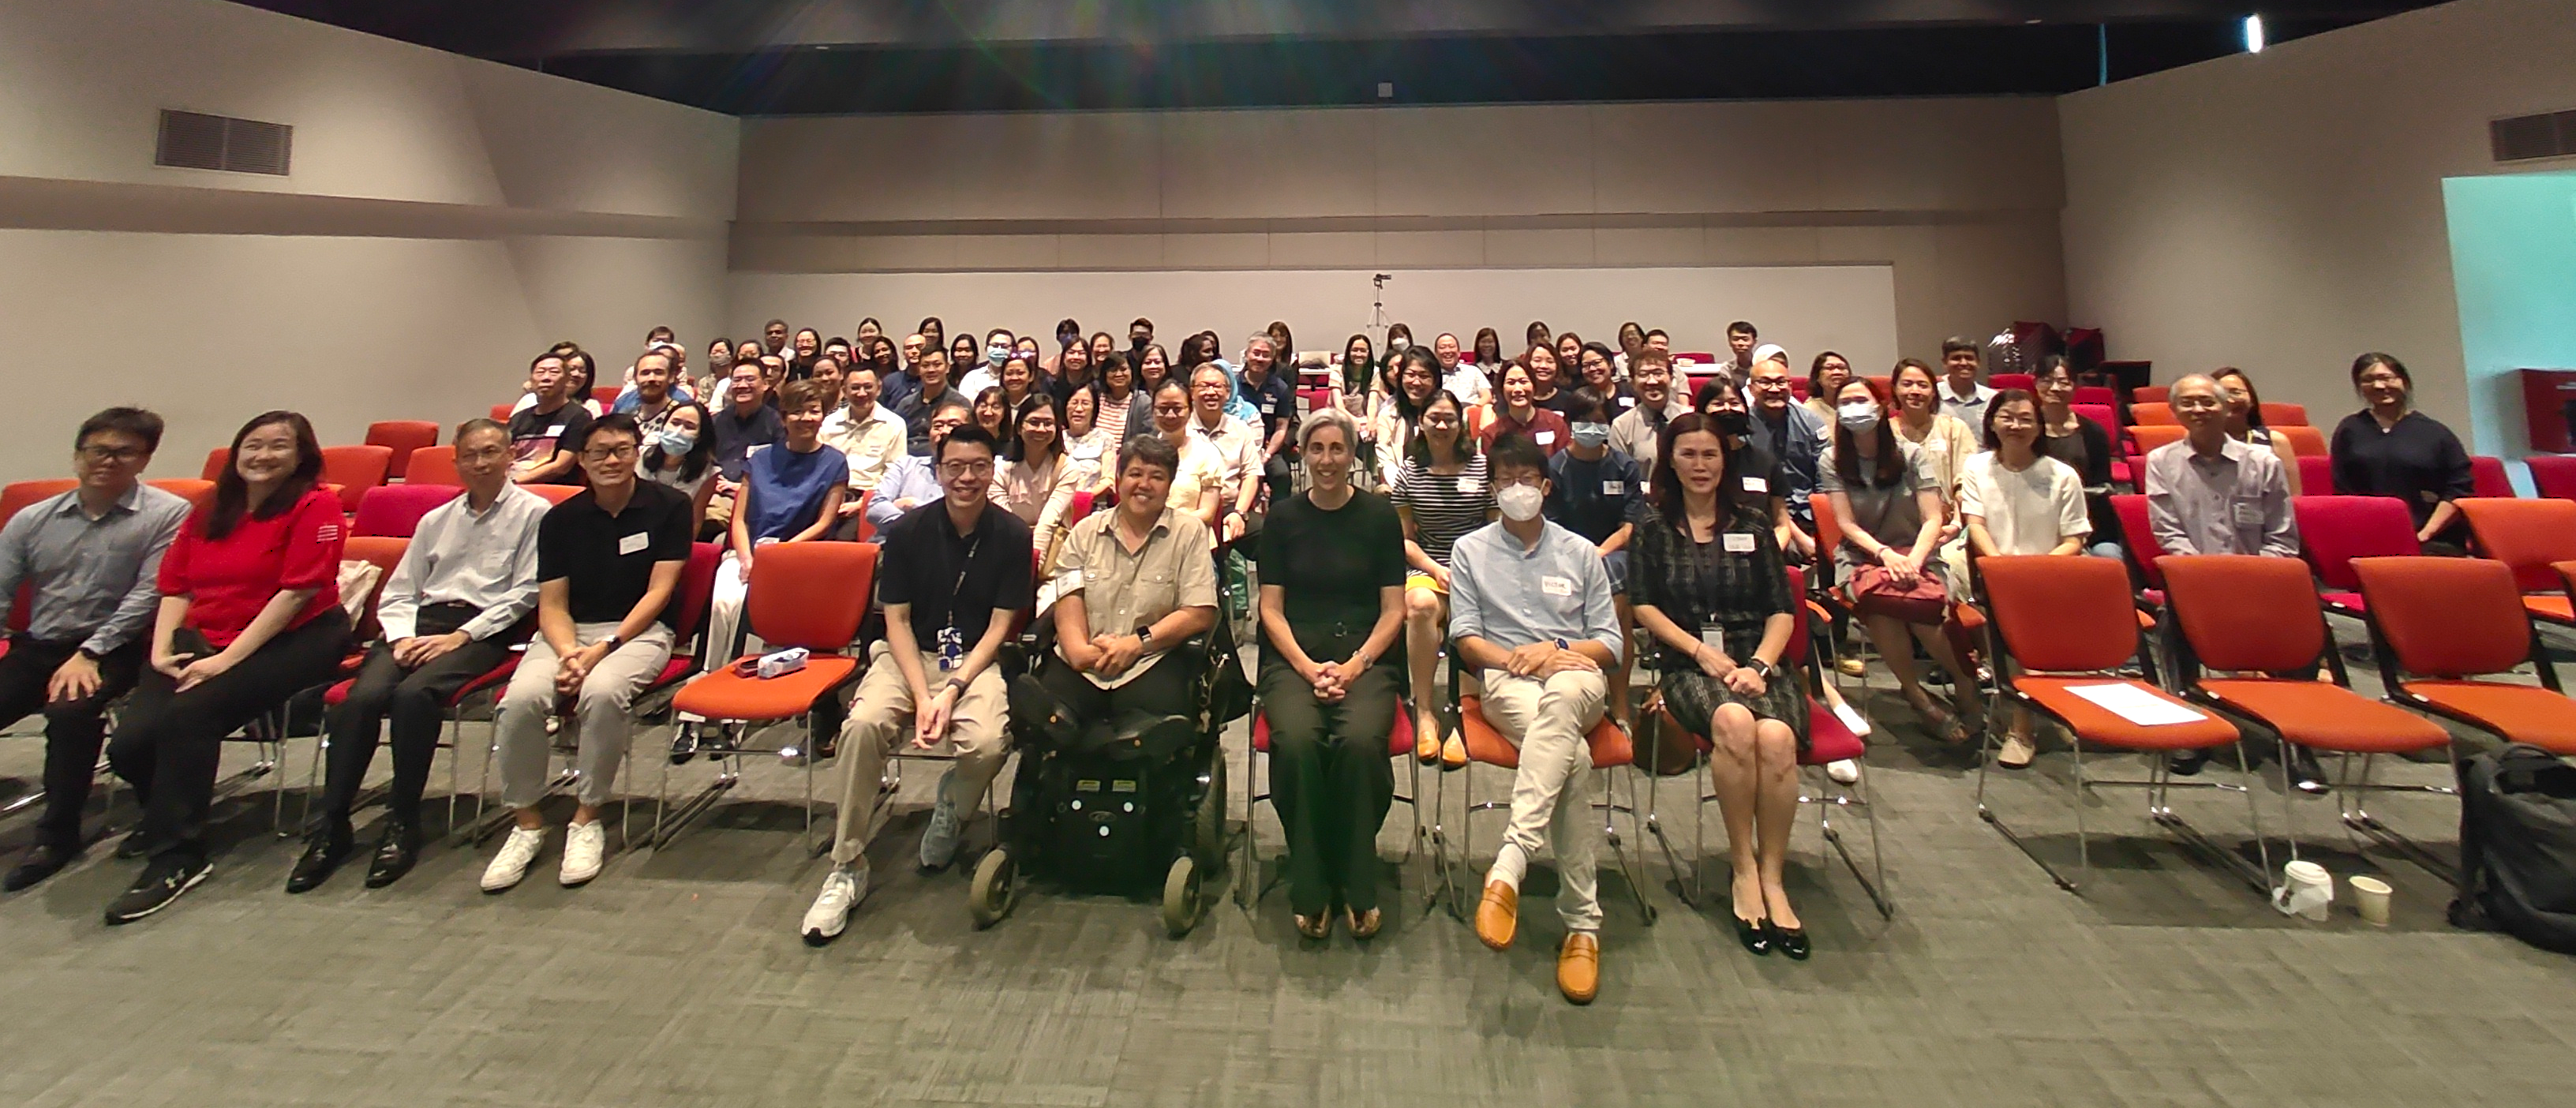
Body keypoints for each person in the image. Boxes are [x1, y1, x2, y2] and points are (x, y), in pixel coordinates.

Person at [103, 411, 351, 923]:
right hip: (206, 632)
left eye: (278, 446)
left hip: (296, 636)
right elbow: (175, 584)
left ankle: (179, 855)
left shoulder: (316, 505)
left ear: (302, 455)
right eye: (252, 445)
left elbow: (295, 593)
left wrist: (224, 663)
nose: (262, 456)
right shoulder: (214, 505)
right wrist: (161, 650)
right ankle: (169, 807)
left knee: (189, 715)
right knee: (129, 745)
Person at [801, 424, 1032, 943]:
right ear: (937, 471)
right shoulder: (907, 533)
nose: (966, 477)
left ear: (992, 470)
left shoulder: (1013, 535)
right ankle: (847, 862)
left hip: (972, 661)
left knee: (990, 742)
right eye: (955, 467)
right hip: (905, 657)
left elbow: (1001, 626)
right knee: (861, 727)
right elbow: (897, 622)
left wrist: (951, 690)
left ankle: (952, 803)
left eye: (978, 466)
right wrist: (923, 694)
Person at [293, 420, 542, 893]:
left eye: (491, 452)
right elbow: (402, 591)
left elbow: (526, 592)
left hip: (483, 632)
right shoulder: (436, 520)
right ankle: (333, 825)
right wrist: (403, 637)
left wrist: (461, 637)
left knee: (414, 695)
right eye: (470, 455)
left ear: (511, 456)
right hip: (419, 626)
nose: (481, 463)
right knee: (359, 699)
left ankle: (402, 820)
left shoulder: (534, 514)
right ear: (457, 462)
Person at [479, 415, 692, 893]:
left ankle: (587, 816)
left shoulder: (669, 506)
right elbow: (552, 603)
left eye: (621, 450)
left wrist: (604, 649)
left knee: (602, 692)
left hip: (638, 633)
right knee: (520, 701)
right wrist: (570, 650)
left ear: (638, 452)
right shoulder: (560, 519)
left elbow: (660, 591)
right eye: (599, 452)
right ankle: (527, 823)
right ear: (583, 459)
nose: (611, 461)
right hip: (568, 634)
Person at [1628, 412, 1810, 958]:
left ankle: (1774, 877)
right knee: (1732, 723)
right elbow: (1643, 606)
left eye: (1709, 454)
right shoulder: (1653, 527)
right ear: (1671, 461)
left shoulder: (1753, 525)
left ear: (1724, 460)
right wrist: (1700, 650)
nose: (1700, 465)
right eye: (1688, 454)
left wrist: (1757, 664)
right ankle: (1743, 868)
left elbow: (1782, 610)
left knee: (1776, 738)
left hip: (1759, 662)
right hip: (1690, 665)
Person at [1456, 432, 1623, 1005]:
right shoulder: (1470, 551)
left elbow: (1608, 640)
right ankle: (1582, 925)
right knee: (1571, 760)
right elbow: (1465, 637)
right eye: (1506, 481)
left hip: (1576, 676)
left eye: (1527, 480)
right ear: (1493, 490)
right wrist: (1515, 659)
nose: (1517, 490)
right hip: (1508, 683)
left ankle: (1511, 859)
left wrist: (1555, 650)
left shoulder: (1581, 552)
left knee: (1565, 699)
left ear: (1546, 487)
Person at [0, 408, 189, 891]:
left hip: (119, 647)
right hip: (41, 644)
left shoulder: (166, 514)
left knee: (70, 711)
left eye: (124, 452)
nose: (108, 461)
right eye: (97, 450)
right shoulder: (33, 518)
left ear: (144, 460)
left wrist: (90, 651)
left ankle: (57, 835)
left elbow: (150, 594)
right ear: (78, 455)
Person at [1255, 408, 1406, 940]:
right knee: (1296, 742)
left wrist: (1355, 665)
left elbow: (1394, 610)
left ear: (1352, 455)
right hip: (1294, 657)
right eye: (1316, 449)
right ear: (1303, 455)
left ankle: (1356, 878)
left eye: (1337, 449)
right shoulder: (1283, 519)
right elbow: (1270, 608)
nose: (1327, 460)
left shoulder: (1380, 518)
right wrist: (1306, 665)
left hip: (1367, 657)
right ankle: (1312, 883)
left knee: (1361, 742)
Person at [2146, 373, 2313, 785]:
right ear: (2175, 412)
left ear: (2227, 408)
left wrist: (2249, 579)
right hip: (2195, 583)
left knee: (2307, 629)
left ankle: (2299, 739)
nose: (2198, 410)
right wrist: (2207, 580)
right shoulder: (2161, 463)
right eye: (2187, 403)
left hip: (2261, 580)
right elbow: (2168, 533)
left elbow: (2281, 535)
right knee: (2171, 626)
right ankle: (2190, 726)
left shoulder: (2264, 463)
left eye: (2207, 402)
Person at [1818, 380, 1977, 740]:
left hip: (1918, 551)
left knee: (1922, 611)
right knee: (1883, 606)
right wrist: (1886, 556)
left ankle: (1964, 682)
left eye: (1861, 400)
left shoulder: (1912, 454)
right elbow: (1845, 524)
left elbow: (1933, 519)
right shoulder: (1832, 459)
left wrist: (1915, 561)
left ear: (1880, 406)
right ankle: (1917, 694)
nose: (1854, 408)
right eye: (1846, 403)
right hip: (1863, 556)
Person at [1040, 434, 1219, 735]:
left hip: (1151, 661)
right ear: (1120, 478)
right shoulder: (1085, 532)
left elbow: (1198, 612)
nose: (1144, 485)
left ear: (1170, 484)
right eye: (1135, 474)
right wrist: (1078, 651)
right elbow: (1069, 597)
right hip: (1085, 660)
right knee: (1046, 722)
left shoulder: (1189, 533)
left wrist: (1136, 644)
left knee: (1150, 733)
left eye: (1157, 477)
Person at [1958, 391, 2091, 769]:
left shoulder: (2062, 475)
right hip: (1994, 573)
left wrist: (2033, 575)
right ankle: (2022, 725)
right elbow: (1975, 524)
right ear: (1992, 422)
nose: (2015, 426)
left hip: (2050, 576)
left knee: (2026, 628)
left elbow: (2074, 540)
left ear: (2039, 426)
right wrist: (2001, 570)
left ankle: (2025, 722)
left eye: (2025, 419)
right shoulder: (1977, 467)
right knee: (2010, 626)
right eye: (2007, 417)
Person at [706, 379, 848, 675]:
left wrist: (778, 555)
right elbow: (740, 518)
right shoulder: (760, 458)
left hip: (797, 556)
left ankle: (748, 679)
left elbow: (824, 522)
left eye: (813, 410)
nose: (805, 418)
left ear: (823, 415)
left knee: (749, 604)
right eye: (797, 412)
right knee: (723, 603)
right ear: (783, 417)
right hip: (749, 551)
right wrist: (746, 558)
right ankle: (714, 674)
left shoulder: (835, 462)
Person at [1391, 390, 1494, 765]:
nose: (1441, 425)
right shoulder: (1410, 471)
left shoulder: (1481, 467)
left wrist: (1469, 570)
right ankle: (1425, 713)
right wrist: (1437, 570)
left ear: (1461, 424)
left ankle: (1467, 718)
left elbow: (1496, 528)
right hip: (1429, 565)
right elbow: (1404, 539)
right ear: (1422, 422)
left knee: (1474, 621)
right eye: (1434, 417)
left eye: (1450, 418)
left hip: (1479, 565)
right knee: (1419, 606)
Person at [1544, 388, 1645, 728]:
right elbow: (1551, 527)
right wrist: (1584, 556)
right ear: (1570, 424)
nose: (1591, 428)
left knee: (1618, 601)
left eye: (1598, 421)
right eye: (1583, 422)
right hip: (1563, 555)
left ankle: (1618, 704)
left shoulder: (1623, 466)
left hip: (1613, 553)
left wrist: (1598, 554)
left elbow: (1631, 526)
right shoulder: (1556, 468)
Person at [2033, 357, 2123, 560]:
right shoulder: (2026, 430)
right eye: (2047, 380)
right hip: (2038, 522)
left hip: (2090, 521)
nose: (2055, 388)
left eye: (2064, 382)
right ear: (2036, 384)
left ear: (2074, 387)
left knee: (2109, 559)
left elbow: (2102, 486)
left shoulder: (2093, 432)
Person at [1744, 354, 1825, 562]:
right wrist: (1798, 536)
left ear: (1790, 386)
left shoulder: (1811, 422)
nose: (1774, 389)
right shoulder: (1742, 429)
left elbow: (1824, 479)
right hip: (1766, 520)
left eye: (1781, 382)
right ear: (1751, 389)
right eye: (1765, 382)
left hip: (1813, 515)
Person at [994, 393, 1081, 571]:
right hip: (1007, 551)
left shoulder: (1068, 468)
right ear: (1019, 428)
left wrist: (1033, 566)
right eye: (1033, 422)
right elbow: (1007, 524)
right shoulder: (999, 468)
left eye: (1048, 423)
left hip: (1052, 555)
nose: (1041, 429)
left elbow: (1048, 521)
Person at [867, 397, 973, 534]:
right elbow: (875, 508)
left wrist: (912, 505)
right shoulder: (905, 466)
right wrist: (917, 526)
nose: (944, 431)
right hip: (892, 546)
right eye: (937, 426)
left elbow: (959, 520)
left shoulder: (971, 474)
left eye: (953, 425)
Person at [1187, 362, 1264, 544]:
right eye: (1204, 386)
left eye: (1217, 386)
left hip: (1231, 508)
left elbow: (1251, 474)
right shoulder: (1179, 429)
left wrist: (1239, 512)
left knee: (1269, 538)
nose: (1211, 392)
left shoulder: (1241, 429)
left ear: (1228, 392)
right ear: (1192, 392)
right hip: (1190, 509)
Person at [819, 357, 907, 507]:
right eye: (855, 388)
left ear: (878, 389)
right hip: (830, 494)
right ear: (844, 391)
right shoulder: (829, 422)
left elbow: (894, 474)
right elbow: (819, 466)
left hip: (870, 497)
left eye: (868, 387)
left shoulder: (894, 424)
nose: (861, 393)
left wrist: (863, 504)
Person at [2212, 367, 2305, 496]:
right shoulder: (2201, 442)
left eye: (2236, 392)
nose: (2229, 400)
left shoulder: (2276, 442)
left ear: (2251, 400)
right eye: (2221, 394)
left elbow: (2293, 498)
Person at [1149, 378, 1226, 530]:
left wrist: (1166, 523)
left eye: (1177, 409)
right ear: (1152, 411)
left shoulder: (1208, 454)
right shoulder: (1143, 454)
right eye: (1163, 409)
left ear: (1190, 410)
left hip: (1191, 538)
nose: (1170, 415)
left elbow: (1207, 514)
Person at [1610, 350, 1692, 491]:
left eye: (1658, 373)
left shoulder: (1690, 419)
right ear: (1633, 384)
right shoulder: (1622, 426)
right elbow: (1618, 478)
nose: (1652, 381)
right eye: (1643, 375)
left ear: (1672, 379)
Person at [509, 352, 592, 485]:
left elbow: (561, 466)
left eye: (554, 372)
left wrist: (515, 483)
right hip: (511, 486)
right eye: (540, 373)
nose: (546, 378)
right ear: (531, 380)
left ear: (566, 379)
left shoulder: (579, 416)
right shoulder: (519, 418)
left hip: (549, 490)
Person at [1369, 348, 1443, 490]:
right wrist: (1409, 491)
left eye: (1424, 376)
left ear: (1435, 380)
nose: (1416, 382)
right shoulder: (1387, 414)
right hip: (1402, 489)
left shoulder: (1448, 413)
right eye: (1410, 375)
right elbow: (1387, 462)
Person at [1237, 332, 1298, 501]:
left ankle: (1277, 519)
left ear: (1272, 359)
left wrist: (1267, 456)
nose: (1260, 358)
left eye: (1266, 355)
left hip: (1267, 447)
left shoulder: (1280, 388)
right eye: (1256, 353)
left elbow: (1281, 427)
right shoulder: (1232, 386)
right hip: (1236, 447)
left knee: (1282, 475)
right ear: (1247, 354)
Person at [1479, 361, 1571, 456]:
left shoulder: (1555, 423)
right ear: (1502, 390)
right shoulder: (1491, 434)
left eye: (1523, 382)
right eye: (1511, 383)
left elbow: (1564, 464)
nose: (1518, 389)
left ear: (1534, 387)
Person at [896, 348, 962, 455]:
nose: (931, 370)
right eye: (925, 366)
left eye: (937, 365)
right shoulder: (906, 404)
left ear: (947, 368)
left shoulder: (959, 404)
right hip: (905, 462)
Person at [1936, 337, 1995, 428]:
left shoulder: (1992, 398)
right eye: (1956, 358)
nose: (1964, 363)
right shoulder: (1932, 395)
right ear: (1945, 362)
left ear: (1978, 362)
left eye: (1969, 358)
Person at [1574, 343, 1634, 416]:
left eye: (1597, 363)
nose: (1592, 369)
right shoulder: (1579, 399)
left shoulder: (1630, 390)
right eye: (1586, 365)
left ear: (1611, 364)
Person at [1093, 350, 1138, 446]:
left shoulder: (1142, 402)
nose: (1118, 374)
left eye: (1123, 369)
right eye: (1113, 370)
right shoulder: (1095, 398)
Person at [1432, 331, 1489, 406]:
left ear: (1459, 352)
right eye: (1442, 347)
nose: (1448, 351)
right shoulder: (1432, 374)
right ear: (1436, 354)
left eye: (1452, 346)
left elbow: (1487, 396)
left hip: (1472, 411)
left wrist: (1473, 409)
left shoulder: (1473, 371)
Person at [1804, 352, 1852, 425]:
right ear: (1817, 377)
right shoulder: (1808, 412)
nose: (1837, 372)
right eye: (1829, 368)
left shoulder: (1859, 403)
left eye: (1841, 368)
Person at [1717, 320, 1761, 387]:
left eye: (1745, 339)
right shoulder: (1727, 369)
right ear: (1729, 342)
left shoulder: (1763, 366)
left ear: (1754, 342)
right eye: (1735, 339)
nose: (1740, 343)